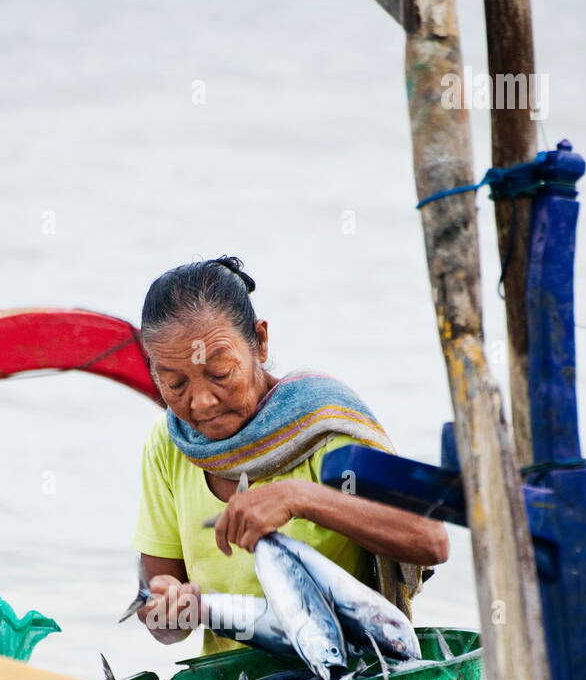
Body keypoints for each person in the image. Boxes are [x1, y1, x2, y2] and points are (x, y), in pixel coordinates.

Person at [131, 255, 448, 653]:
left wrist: (299, 498)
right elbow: (169, 628)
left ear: (260, 342)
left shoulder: (323, 425)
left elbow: (431, 539)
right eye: (175, 384)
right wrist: (167, 611)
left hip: (345, 679)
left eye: (220, 374)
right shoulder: (169, 443)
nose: (202, 402)